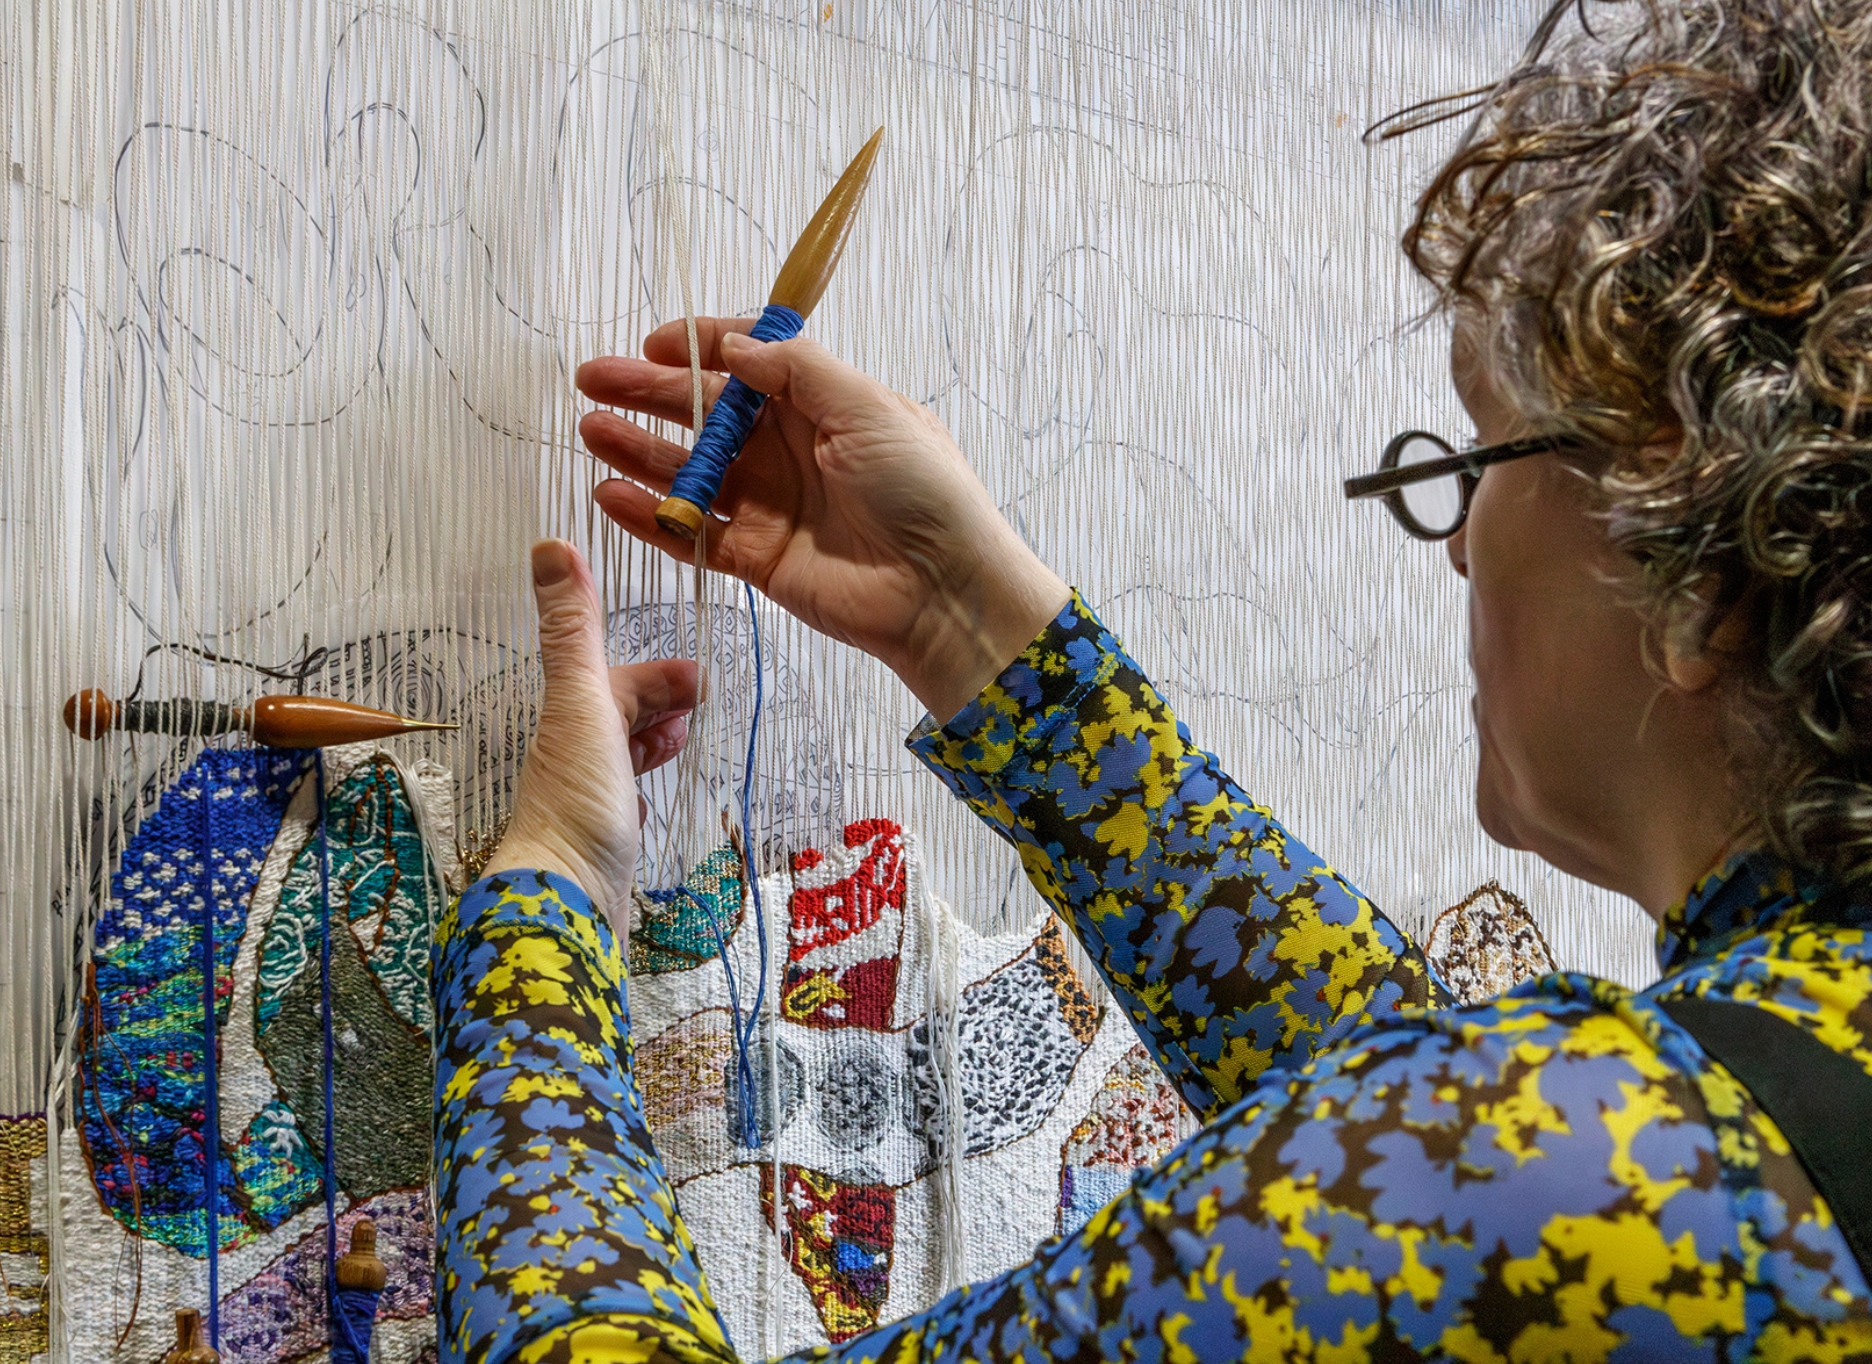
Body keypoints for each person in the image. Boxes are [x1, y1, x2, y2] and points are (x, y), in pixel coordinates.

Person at [432, 0, 1872, 1358]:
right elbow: (1418, 1116)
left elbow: (1453, 1170)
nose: (1456, 555)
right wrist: (964, 625)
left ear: (1699, 579)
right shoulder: (1743, 1110)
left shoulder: (1579, 1184)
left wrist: (545, 903)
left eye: (1476, 460)